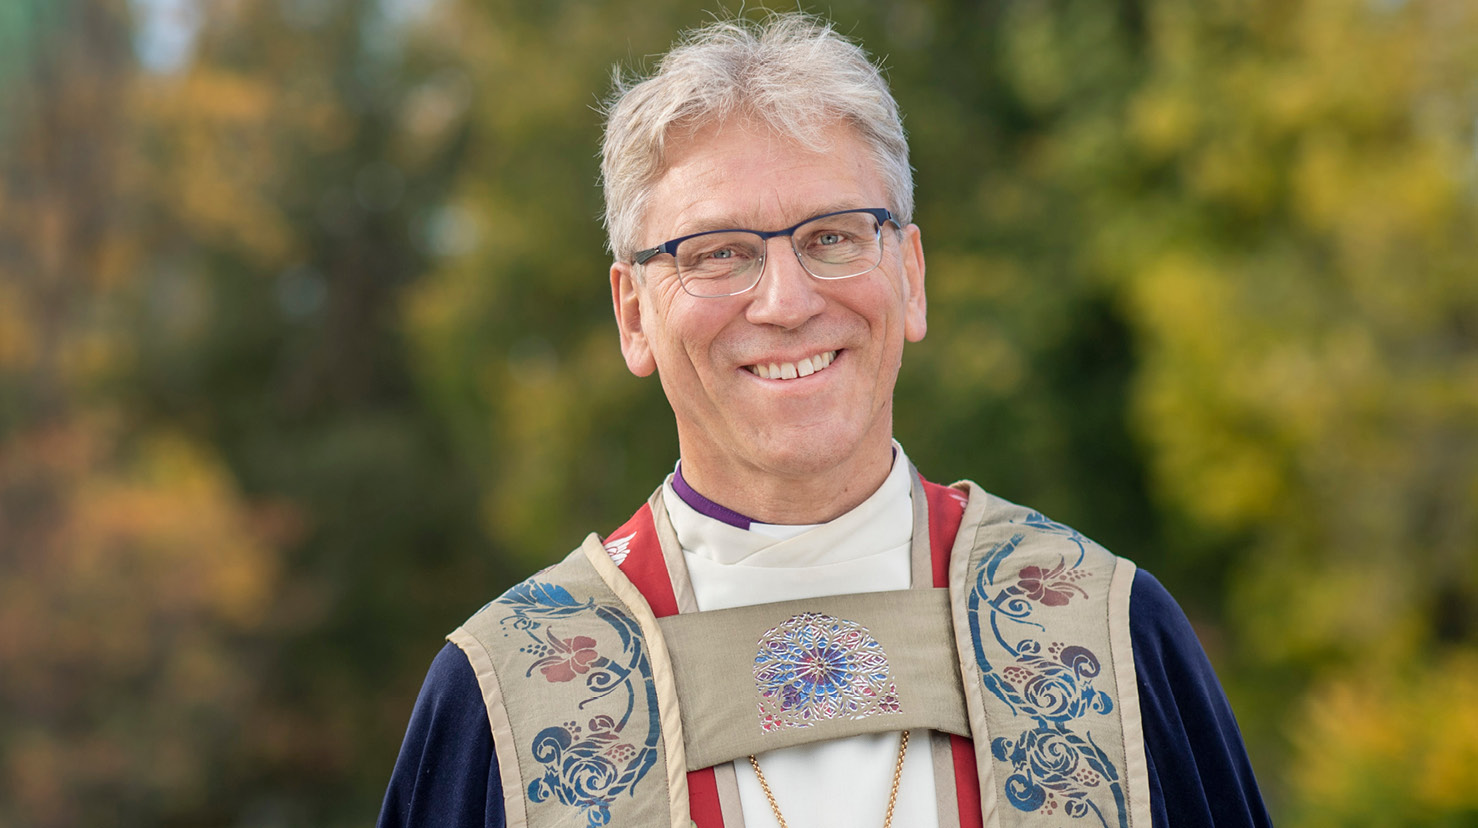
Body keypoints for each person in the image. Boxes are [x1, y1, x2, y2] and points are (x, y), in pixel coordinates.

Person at [378, 13, 1270, 828]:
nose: (786, 300)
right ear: (634, 314)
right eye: (717, 253)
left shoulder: (1106, 636)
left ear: (910, 276)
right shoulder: (511, 691)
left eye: (833, 236)